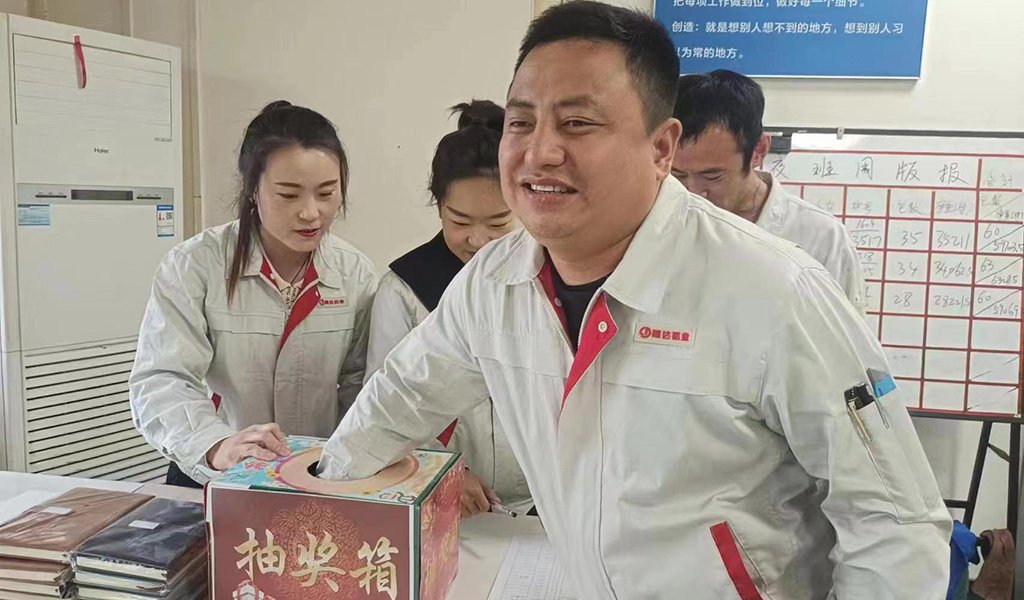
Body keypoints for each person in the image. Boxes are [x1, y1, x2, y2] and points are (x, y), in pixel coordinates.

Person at [319, 2, 952, 598]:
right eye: (522, 122)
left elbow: (895, 523)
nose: (540, 151)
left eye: (577, 123)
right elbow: (401, 396)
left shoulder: (774, 290)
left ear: (661, 147)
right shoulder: (493, 283)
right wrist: (316, 482)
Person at [130, 101, 377, 487]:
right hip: (218, 470)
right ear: (252, 191)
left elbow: (362, 385)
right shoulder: (196, 265)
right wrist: (216, 445)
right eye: (289, 195)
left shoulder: (354, 273)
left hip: (316, 476)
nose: (311, 213)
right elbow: (163, 378)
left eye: (326, 193)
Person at [365, 100, 531, 517]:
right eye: (460, 221)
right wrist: (441, 471)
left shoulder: (545, 279)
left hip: (543, 501)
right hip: (444, 502)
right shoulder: (404, 290)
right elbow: (385, 409)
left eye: (498, 223)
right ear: (438, 205)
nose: (478, 240)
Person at [672, 70, 866, 313]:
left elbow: (845, 333)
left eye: (713, 177)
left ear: (758, 151)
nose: (692, 192)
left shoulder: (820, 237)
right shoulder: (657, 221)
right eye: (677, 175)